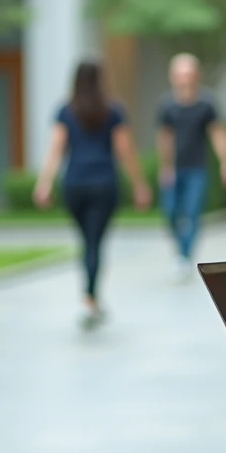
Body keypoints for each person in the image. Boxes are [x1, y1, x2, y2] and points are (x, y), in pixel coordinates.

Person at [34, 61, 151, 329]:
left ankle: (89, 296)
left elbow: (56, 149)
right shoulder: (113, 110)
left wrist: (44, 183)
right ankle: (90, 297)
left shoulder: (66, 111)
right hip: (103, 184)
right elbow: (125, 150)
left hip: (74, 184)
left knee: (86, 241)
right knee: (95, 242)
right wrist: (139, 184)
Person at [156, 53, 226, 281]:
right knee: (171, 213)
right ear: (173, 77)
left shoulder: (206, 104)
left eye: (188, 73)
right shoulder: (167, 105)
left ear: (196, 76)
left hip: (197, 169)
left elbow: (218, 134)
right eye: (180, 74)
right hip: (174, 169)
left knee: (192, 214)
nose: (184, 78)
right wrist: (165, 166)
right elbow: (165, 138)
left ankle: (184, 257)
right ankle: (181, 252)